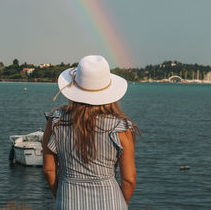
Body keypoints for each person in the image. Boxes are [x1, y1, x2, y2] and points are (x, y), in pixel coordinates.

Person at [43, 55, 139, 209]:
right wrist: (120, 204)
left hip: (68, 202)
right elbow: (129, 180)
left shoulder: (55, 121)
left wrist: (62, 199)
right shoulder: (120, 126)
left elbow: (49, 170)